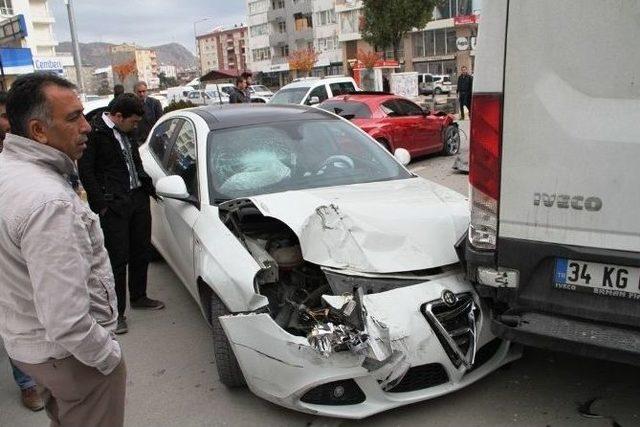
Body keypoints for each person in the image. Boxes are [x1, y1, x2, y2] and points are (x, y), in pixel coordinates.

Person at [0, 73, 126, 426]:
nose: (86, 126)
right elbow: (67, 321)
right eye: (73, 118)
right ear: (38, 131)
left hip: (29, 345)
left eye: (83, 115)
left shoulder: (10, 170)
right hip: (69, 357)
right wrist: (107, 357)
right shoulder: (49, 202)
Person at [78, 93, 164, 335]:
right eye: (133, 122)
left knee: (141, 250)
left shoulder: (127, 130)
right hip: (113, 204)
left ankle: (140, 296)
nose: (136, 126)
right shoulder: (94, 134)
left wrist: (147, 186)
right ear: (117, 116)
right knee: (117, 259)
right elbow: (86, 171)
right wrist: (101, 205)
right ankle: (117, 313)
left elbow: (135, 162)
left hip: (137, 198)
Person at [0, 91, 45, 412]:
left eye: (6, 114)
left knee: (17, 313)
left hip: (18, 249)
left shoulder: (25, 152)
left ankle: (28, 382)